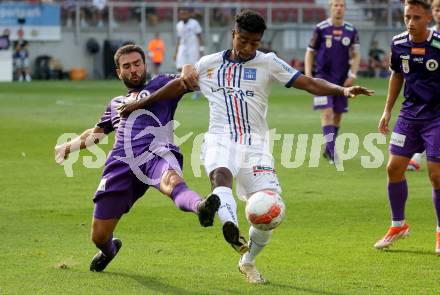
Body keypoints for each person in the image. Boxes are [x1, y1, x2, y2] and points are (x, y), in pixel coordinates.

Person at [119, 10, 373, 283]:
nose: (249, 48)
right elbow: (175, 86)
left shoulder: (268, 63)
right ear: (233, 35)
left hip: (256, 145)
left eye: (255, 42)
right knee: (220, 176)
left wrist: (342, 90)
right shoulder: (209, 64)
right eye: (243, 41)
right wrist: (140, 103)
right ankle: (230, 223)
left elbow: (309, 83)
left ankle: (247, 260)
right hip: (220, 137)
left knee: (269, 212)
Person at [54, 44, 220, 272]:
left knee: (172, 181)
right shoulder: (115, 104)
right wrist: (67, 146)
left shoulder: (161, 83)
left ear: (145, 65)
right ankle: (109, 250)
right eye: (127, 66)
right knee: (99, 235)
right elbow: (96, 134)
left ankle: (200, 206)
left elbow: (189, 79)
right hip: (120, 164)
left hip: (155, 152)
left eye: (137, 64)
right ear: (118, 72)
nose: (134, 70)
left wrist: (189, 66)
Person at [374, 0, 440, 253]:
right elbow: (397, 74)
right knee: (393, 168)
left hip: (436, 117)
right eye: (406, 17)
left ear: (428, 18)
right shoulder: (398, 43)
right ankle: (398, 225)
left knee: (436, 173)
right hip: (409, 116)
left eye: (416, 18)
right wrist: (387, 110)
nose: (410, 23)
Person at [304, 0, 361, 164]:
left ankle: (329, 148)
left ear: (345, 9)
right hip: (322, 78)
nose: (339, 8)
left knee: (337, 115)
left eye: (342, 5)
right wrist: (309, 75)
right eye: (336, 5)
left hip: (343, 81)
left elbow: (356, 54)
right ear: (331, 8)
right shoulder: (321, 28)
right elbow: (310, 52)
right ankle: (331, 151)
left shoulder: (351, 30)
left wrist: (353, 74)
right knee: (327, 112)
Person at [406, 0, 440, 171]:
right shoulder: (425, 35)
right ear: (431, 13)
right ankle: (416, 157)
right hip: (423, 95)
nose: (439, 13)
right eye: (436, 9)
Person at [174, 7, 204, 99]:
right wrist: (176, 52)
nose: (183, 15)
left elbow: (199, 36)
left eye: (185, 13)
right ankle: (180, 90)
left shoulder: (194, 23)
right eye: (181, 13)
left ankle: (197, 91)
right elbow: (179, 39)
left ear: (189, 14)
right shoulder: (179, 25)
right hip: (182, 49)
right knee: (179, 69)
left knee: (194, 70)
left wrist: (201, 49)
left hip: (193, 49)